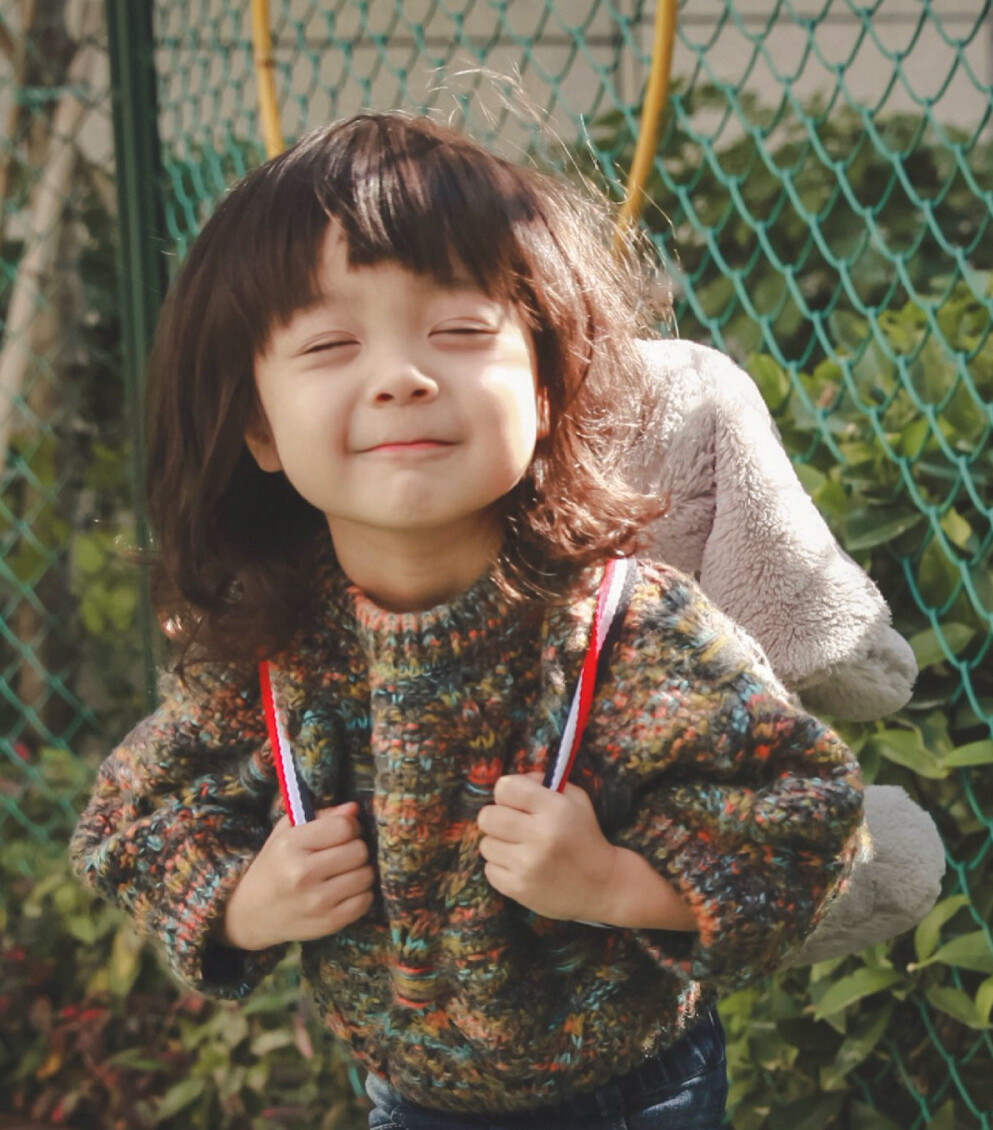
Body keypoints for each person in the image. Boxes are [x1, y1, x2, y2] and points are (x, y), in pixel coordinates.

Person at [70, 113, 863, 1129]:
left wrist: (619, 882)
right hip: (406, 1099)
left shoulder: (630, 633)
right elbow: (131, 823)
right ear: (258, 426)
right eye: (328, 342)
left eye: (457, 329)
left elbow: (806, 814)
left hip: (635, 1093)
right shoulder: (269, 651)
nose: (402, 374)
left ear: (542, 384)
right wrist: (247, 900)